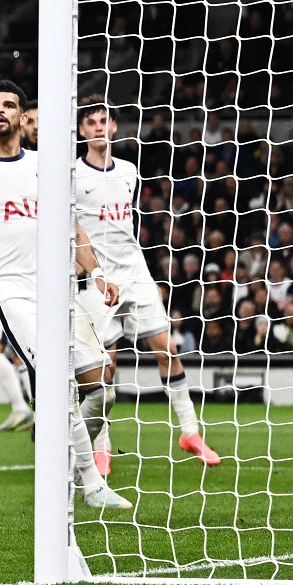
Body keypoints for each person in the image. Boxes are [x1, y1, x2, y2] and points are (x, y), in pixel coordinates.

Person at [0, 82, 132, 511]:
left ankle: (58, 439)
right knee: (58, 381)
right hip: (13, 293)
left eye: (10, 105)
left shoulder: (49, 166)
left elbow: (74, 227)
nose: (1, 111)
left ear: (24, 118)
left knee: (102, 383)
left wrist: (96, 271)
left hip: (60, 290)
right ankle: (90, 481)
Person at [72, 104, 221, 470]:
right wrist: (88, 274)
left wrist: (147, 276)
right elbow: (73, 232)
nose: (98, 127)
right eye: (90, 122)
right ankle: (101, 447)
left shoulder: (129, 172)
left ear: (114, 126)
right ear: (81, 130)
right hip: (97, 278)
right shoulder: (72, 174)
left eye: (103, 121)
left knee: (167, 348)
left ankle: (189, 431)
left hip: (135, 273)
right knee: (104, 366)